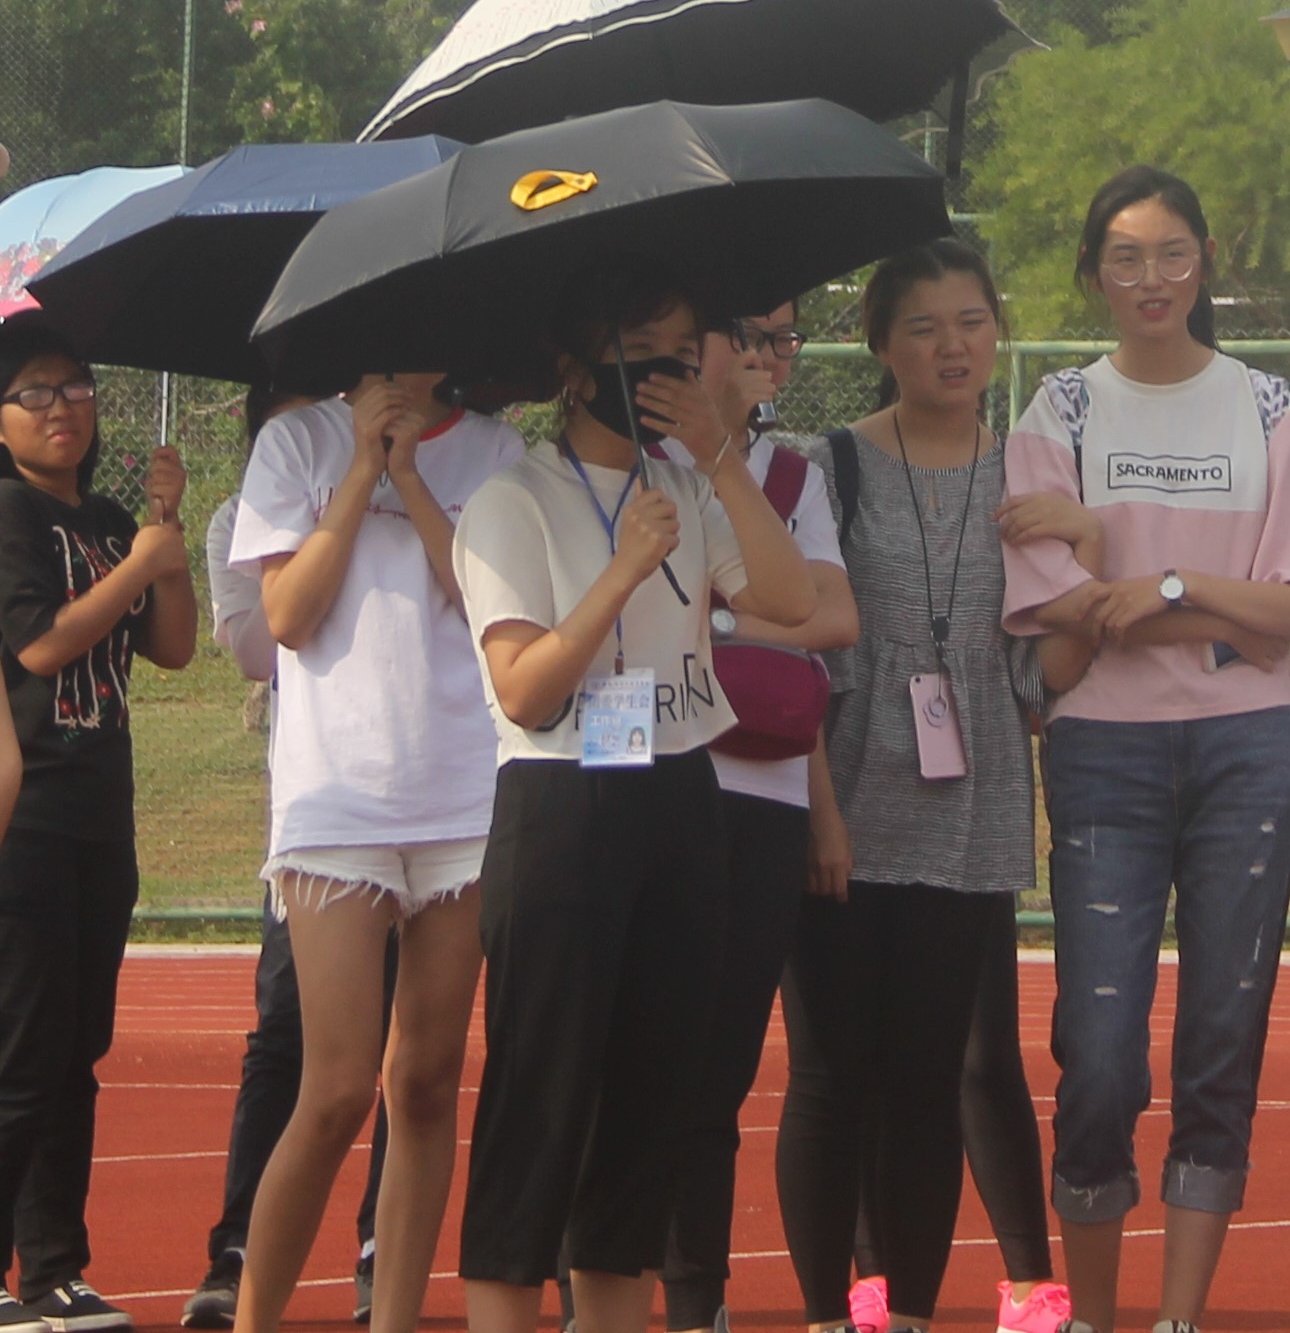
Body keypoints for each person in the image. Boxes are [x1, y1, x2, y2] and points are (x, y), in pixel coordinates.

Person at [1003, 167, 1290, 1333]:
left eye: (1173, 254)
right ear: (1093, 272)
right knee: (1096, 1050)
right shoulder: (1056, 413)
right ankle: (1089, 1316)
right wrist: (1217, 608)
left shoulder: (1265, 407)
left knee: (1219, 1035)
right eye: (1124, 256)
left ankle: (1176, 1317)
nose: (1150, 278)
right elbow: (1061, 616)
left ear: (1207, 260)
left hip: (1249, 749)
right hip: (1104, 752)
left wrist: (1156, 582)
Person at [450, 259, 812, 1333]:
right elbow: (524, 684)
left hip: (678, 793)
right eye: (636, 350)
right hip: (563, 807)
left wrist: (719, 463)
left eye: (679, 351)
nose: (659, 371)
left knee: (651, 1102)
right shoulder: (513, 497)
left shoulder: (690, 485)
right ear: (573, 365)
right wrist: (621, 566)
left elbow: (789, 599)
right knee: (542, 1098)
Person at [779, 244, 1077, 1333]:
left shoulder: (1035, 478)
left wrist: (1086, 568)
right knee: (828, 1076)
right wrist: (816, 807)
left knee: (924, 1082)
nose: (952, 345)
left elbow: (1041, 678)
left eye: (971, 320)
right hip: (841, 814)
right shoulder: (830, 468)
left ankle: (904, 1310)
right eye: (922, 326)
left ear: (998, 329)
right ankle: (825, 1310)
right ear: (878, 344)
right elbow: (798, 654)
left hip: (971, 820)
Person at [225, 368, 523, 1333]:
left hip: (462, 797)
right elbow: (285, 617)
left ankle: (391, 1316)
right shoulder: (296, 443)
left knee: (427, 1079)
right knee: (339, 1082)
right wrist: (360, 467)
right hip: (337, 798)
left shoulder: (496, 450)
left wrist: (416, 475)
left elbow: (484, 603)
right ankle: (254, 1315)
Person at [661, 305, 860, 1333]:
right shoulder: (634, 461)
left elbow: (829, 617)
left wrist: (717, 615)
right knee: (633, 1048)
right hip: (653, 781)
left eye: (786, 336)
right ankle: (592, 1275)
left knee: (722, 1061)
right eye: (749, 331)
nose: (768, 353)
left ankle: (697, 1293)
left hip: (766, 789)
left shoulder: (788, 477)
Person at [0, 322, 199, 1333]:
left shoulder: (118, 516)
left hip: (98, 812)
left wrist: (166, 542)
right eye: (35, 392)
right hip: (26, 812)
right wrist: (135, 567)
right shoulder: (9, 515)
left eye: (75, 385)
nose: (62, 406)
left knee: (77, 1045)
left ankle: (56, 1271)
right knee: (24, 1047)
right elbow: (39, 646)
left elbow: (171, 645)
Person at [184, 387, 394, 1333]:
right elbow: (259, 644)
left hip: (427, 797)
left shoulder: (434, 467)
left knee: (414, 1058)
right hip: (319, 808)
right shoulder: (246, 514)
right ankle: (237, 1253)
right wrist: (334, 529)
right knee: (290, 1037)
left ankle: (379, 1247)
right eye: (301, 405)